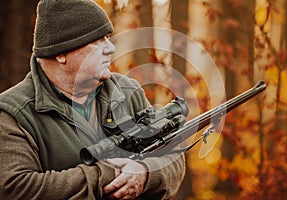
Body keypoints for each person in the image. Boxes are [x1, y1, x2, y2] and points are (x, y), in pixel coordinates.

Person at [0, 0, 185, 199]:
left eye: (108, 37)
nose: (110, 48)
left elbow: (173, 156)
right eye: (98, 40)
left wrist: (145, 173)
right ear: (61, 53)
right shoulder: (13, 114)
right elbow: (15, 188)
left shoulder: (126, 90)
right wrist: (107, 174)